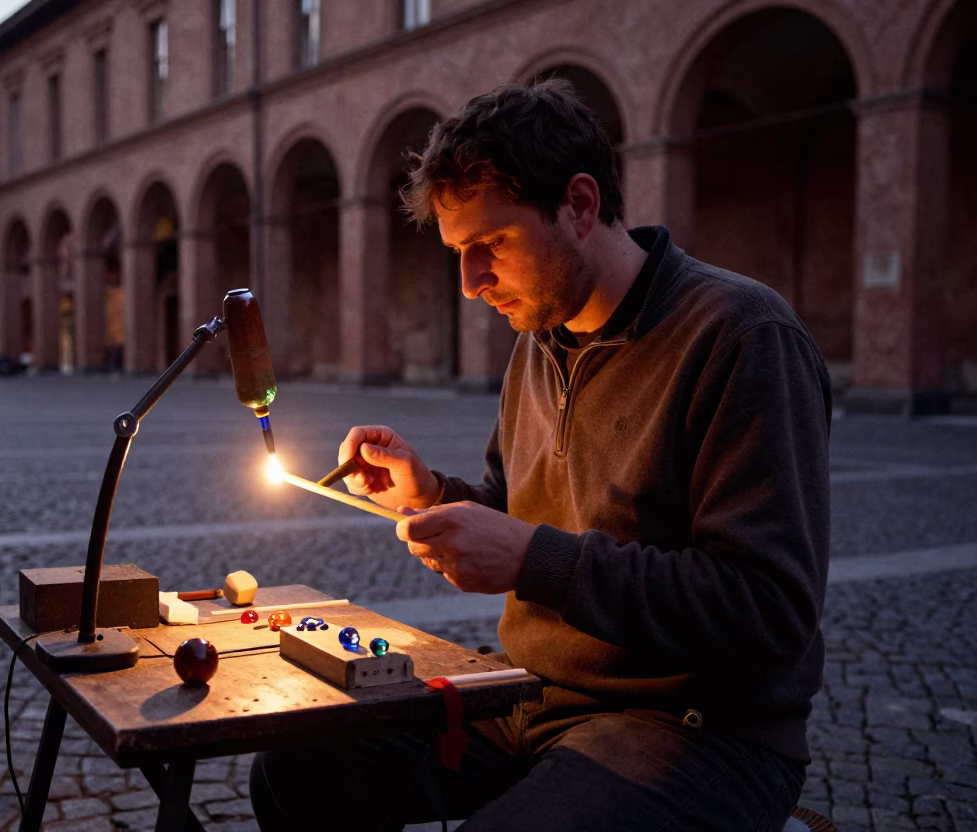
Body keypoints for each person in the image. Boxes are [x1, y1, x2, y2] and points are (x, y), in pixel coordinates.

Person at [250, 79, 831, 831]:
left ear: (580, 205)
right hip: (528, 698)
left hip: (695, 729)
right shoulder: (538, 339)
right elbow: (515, 511)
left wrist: (533, 561)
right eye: (460, 254)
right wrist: (431, 494)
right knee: (297, 767)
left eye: (490, 245)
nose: (470, 284)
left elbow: (768, 608)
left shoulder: (741, 336)